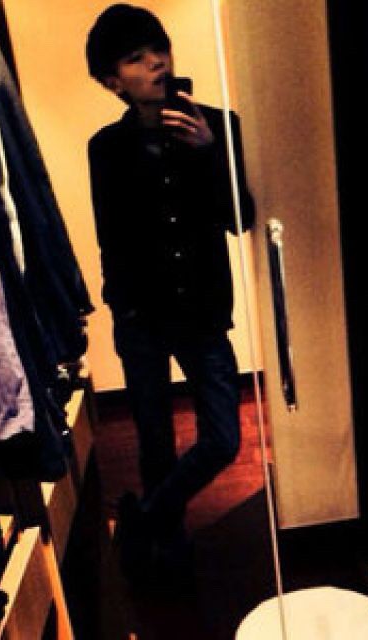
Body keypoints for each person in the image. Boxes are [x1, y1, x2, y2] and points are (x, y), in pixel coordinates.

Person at [85, 4, 255, 583]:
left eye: (159, 49)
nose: (156, 62)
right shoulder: (106, 148)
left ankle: (145, 518)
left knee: (223, 438)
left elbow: (241, 217)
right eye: (136, 58)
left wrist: (209, 153)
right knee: (154, 438)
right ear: (113, 81)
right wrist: (124, 308)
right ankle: (170, 546)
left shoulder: (220, 126)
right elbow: (111, 237)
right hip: (141, 319)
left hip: (204, 314)